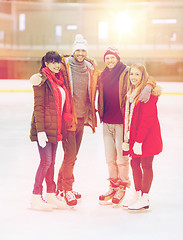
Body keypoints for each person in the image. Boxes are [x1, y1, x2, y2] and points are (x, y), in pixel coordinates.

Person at [98, 47, 156, 205]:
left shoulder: (126, 72)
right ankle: (113, 185)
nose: (110, 61)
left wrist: (149, 86)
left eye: (113, 57)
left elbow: (146, 77)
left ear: (118, 58)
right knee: (110, 159)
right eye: (107, 58)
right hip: (107, 122)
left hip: (121, 123)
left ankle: (123, 187)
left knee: (121, 159)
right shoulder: (102, 75)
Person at [56, 34, 100, 206]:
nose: (80, 53)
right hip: (68, 117)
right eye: (78, 50)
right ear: (73, 51)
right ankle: (67, 189)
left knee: (72, 156)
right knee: (70, 155)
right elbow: (49, 74)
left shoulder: (90, 68)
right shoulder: (64, 66)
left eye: (83, 50)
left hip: (82, 117)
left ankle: (62, 186)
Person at [29, 51, 73, 211]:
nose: (56, 65)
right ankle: (35, 196)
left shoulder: (59, 80)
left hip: (56, 127)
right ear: (46, 63)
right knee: (45, 161)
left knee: (52, 162)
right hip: (44, 129)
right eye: (52, 62)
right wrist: (40, 131)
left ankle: (50, 194)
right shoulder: (42, 80)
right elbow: (38, 107)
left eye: (58, 62)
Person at [122, 63, 163, 211]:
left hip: (147, 137)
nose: (133, 77)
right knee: (134, 164)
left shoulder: (148, 94)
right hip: (136, 136)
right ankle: (137, 194)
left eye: (137, 74)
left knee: (146, 165)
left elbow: (147, 119)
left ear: (143, 76)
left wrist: (139, 141)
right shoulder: (132, 92)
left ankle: (145, 197)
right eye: (132, 74)